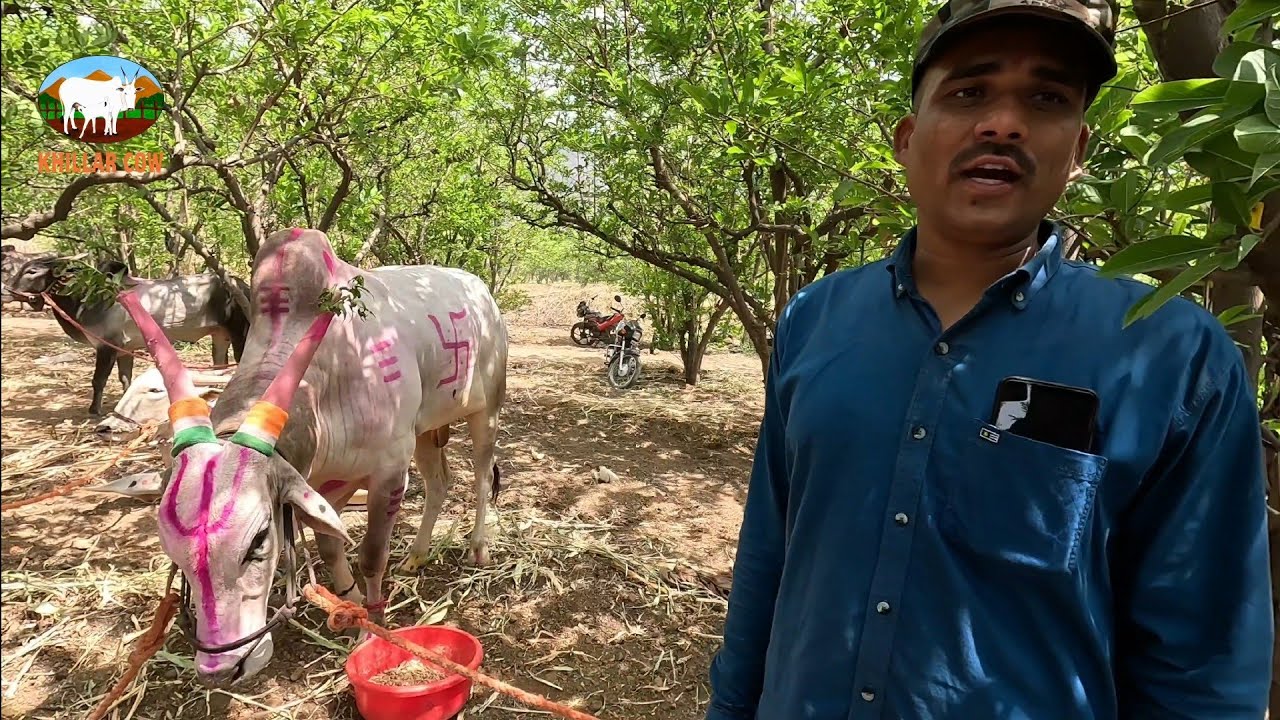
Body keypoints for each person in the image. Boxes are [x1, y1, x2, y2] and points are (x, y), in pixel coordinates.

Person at [704, 0, 1275, 718]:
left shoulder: (1171, 354)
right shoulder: (816, 321)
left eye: (1046, 98)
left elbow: (1202, 663)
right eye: (969, 92)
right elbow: (769, 557)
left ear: (1079, 150)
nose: (1002, 124)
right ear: (907, 139)